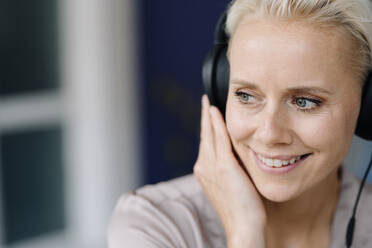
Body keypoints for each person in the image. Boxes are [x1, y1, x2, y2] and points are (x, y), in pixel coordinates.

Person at [108, 0, 372, 247]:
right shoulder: (156, 224)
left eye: (304, 101)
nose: (269, 134)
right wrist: (245, 231)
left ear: (366, 105)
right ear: (220, 91)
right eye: (246, 96)